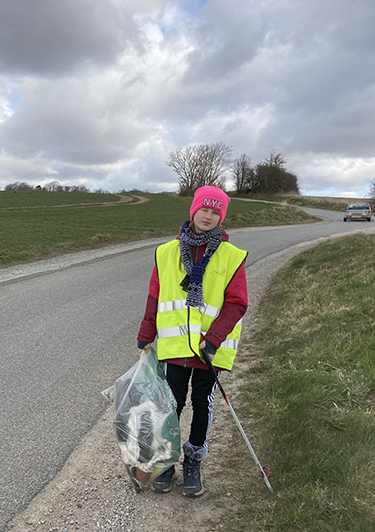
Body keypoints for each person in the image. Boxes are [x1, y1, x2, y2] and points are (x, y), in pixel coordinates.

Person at [135, 185, 248, 497]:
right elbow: (155, 297)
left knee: (201, 405)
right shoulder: (166, 253)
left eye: (215, 212)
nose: (208, 216)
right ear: (193, 210)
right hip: (174, 349)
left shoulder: (231, 256)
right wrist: (146, 334)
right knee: (171, 406)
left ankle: (193, 462)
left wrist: (212, 341)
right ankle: (167, 462)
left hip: (208, 352)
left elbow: (237, 304)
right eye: (204, 209)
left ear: (221, 216)